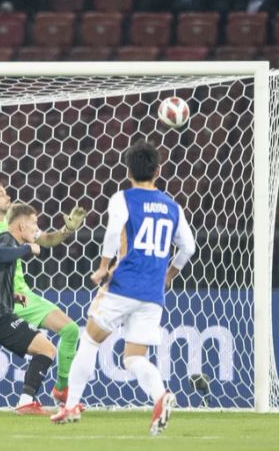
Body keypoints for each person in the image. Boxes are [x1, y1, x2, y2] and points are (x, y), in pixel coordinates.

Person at [51, 140, 196, 435]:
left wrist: (103, 266)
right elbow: (189, 248)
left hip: (123, 284)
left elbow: (113, 230)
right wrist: (170, 274)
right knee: (133, 357)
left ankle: (71, 406)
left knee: (90, 341)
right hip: (152, 294)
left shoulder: (124, 198)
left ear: (128, 170)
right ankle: (160, 396)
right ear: (158, 171)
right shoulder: (172, 206)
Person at [0, 182, 86, 414]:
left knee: (71, 330)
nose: (7, 196)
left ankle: (61, 389)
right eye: (0, 194)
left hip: (20, 294)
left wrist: (67, 231)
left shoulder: (17, 224)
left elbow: (46, 240)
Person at [0, 203, 61, 416]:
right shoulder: (5, 239)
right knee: (47, 350)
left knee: (45, 349)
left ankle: (26, 401)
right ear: (21, 226)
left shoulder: (4, 241)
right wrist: (28, 248)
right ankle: (25, 402)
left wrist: (11, 295)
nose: (36, 229)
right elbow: (1, 255)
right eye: (34, 223)